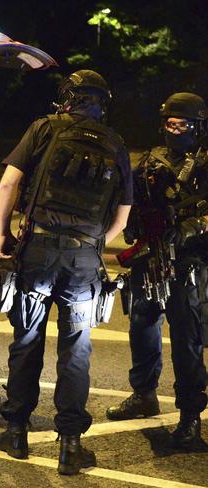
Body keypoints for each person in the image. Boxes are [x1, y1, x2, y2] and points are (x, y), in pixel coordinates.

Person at [0, 70, 133, 475]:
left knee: (27, 341)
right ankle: (70, 446)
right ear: (102, 102)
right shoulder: (115, 143)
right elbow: (122, 217)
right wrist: (92, 244)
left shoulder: (42, 129)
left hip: (36, 251)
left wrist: (4, 237)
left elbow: (7, 186)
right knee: (76, 351)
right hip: (84, 262)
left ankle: (16, 433)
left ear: (67, 97)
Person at [105, 92, 208, 449]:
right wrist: (133, 224)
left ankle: (190, 416)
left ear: (197, 126)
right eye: (170, 123)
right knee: (141, 326)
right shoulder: (150, 159)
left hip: (187, 262)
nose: (175, 130)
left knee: (187, 339)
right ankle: (144, 395)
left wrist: (191, 227)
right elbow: (130, 199)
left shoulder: (204, 163)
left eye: (183, 125)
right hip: (149, 258)